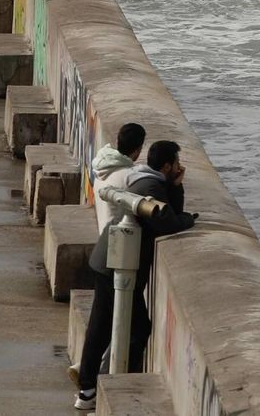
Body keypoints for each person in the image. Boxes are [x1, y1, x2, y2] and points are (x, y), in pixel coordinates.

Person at [74, 141, 198, 410]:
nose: (179, 167)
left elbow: (169, 211)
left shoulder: (144, 179)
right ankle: (102, 388)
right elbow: (170, 221)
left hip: (111, 262)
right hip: (115, 266)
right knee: (125, 328)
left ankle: (88, 389)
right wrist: (190, 219)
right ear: (166, 166)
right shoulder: (150, 188)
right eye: (176, 164)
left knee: (104, 326)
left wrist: (175, 185)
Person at [67, 123, 146, 388]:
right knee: (134, 326)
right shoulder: (127, 177)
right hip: (119, 255)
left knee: (102, 322)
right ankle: (106, 381)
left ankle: (86, 379)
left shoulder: (102, 163)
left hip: (102, 249)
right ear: (138, 149)